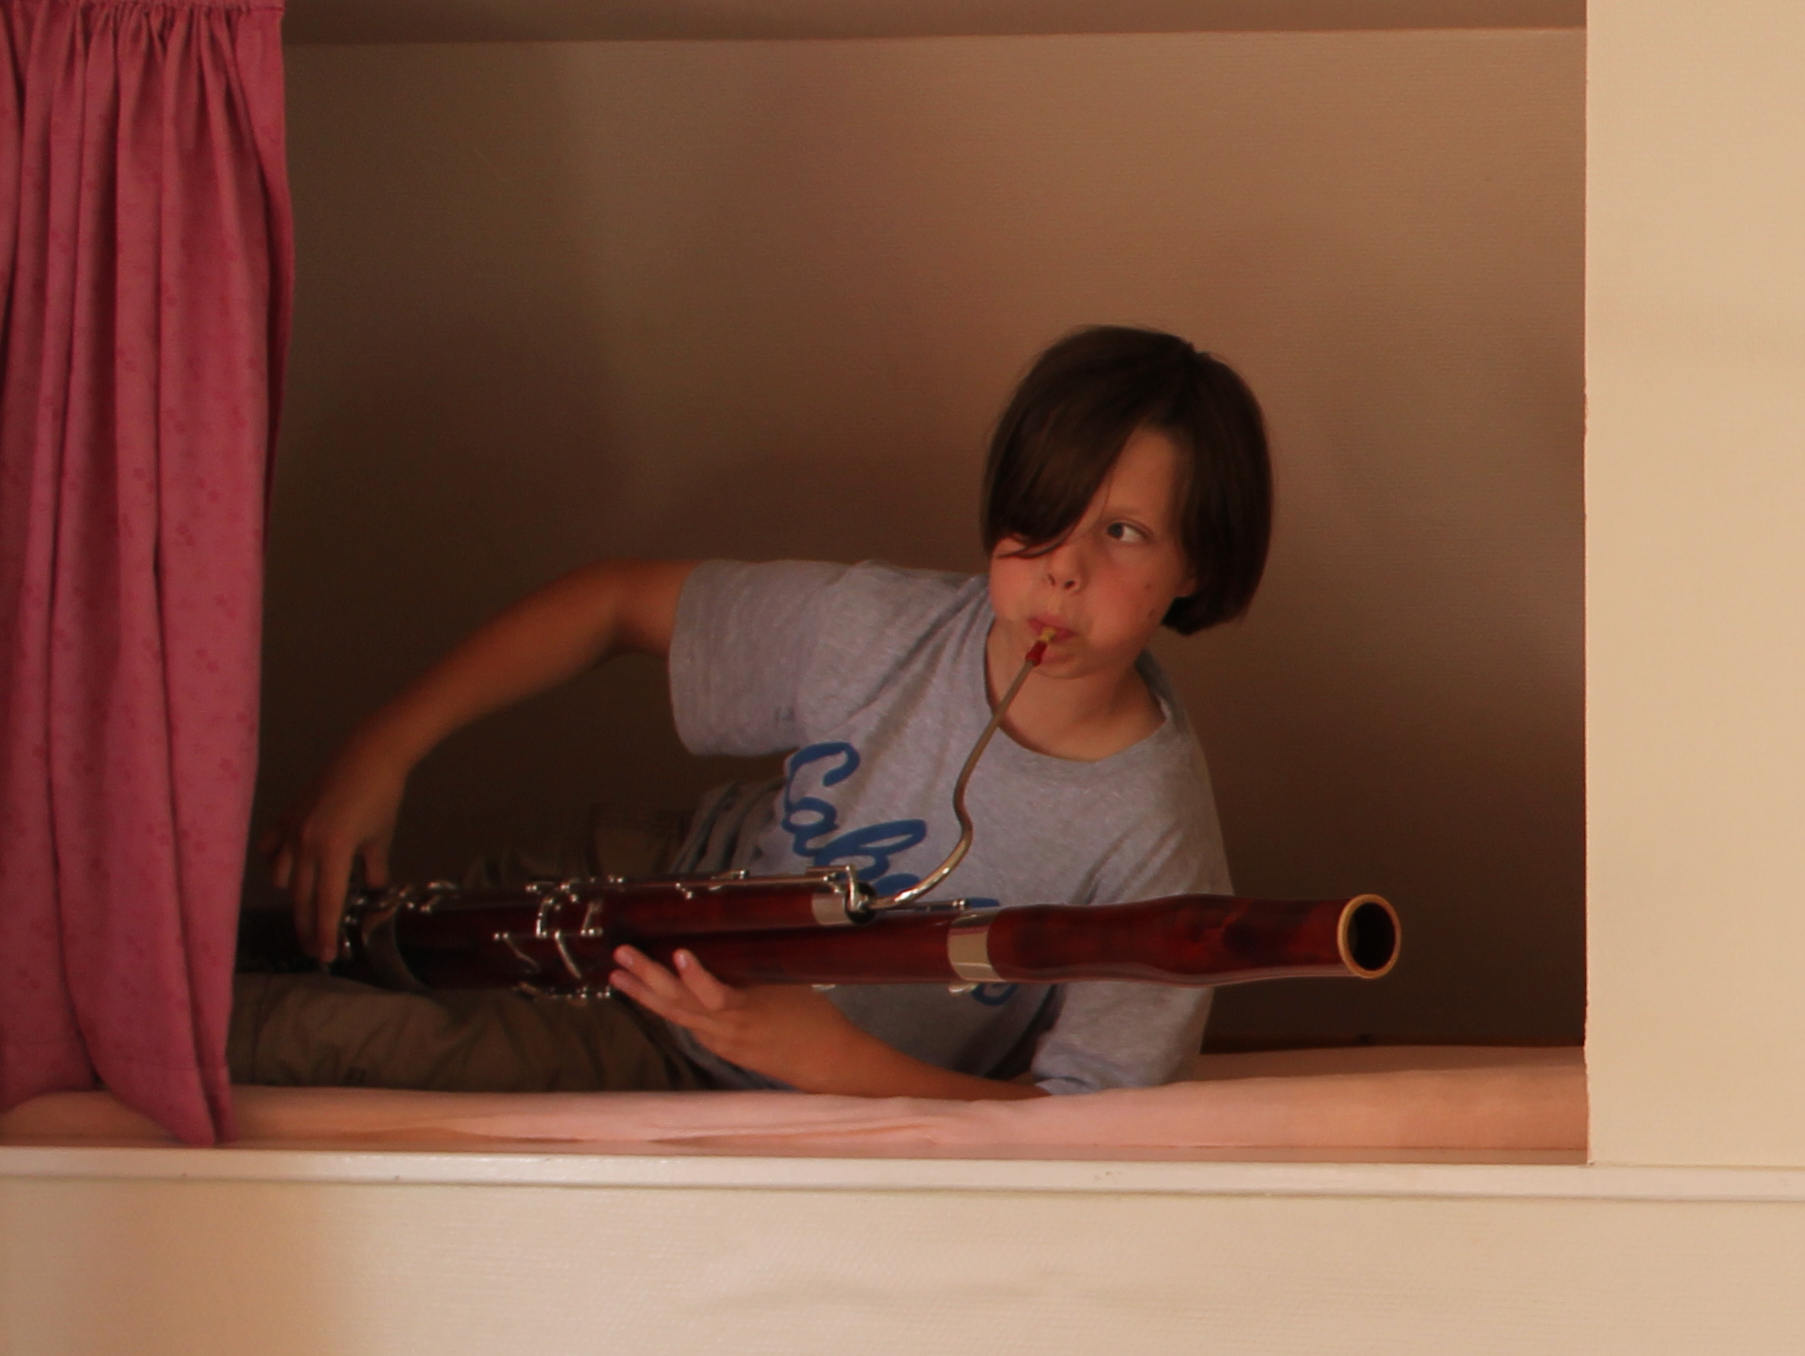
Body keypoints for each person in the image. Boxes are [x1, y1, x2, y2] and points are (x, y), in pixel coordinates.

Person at [237, 324, 1270, 1100]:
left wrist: (837, 1064)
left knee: (319, 1039)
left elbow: (1086, 1129)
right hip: (655, 874)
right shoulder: (885, 627)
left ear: (1198, 565)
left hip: (695, 1050)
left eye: (1123, 532)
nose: (1064, 571)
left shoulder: (1156, 844)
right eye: (1041, 518)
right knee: (324, 939)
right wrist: (382, 750)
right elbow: (612, 605)